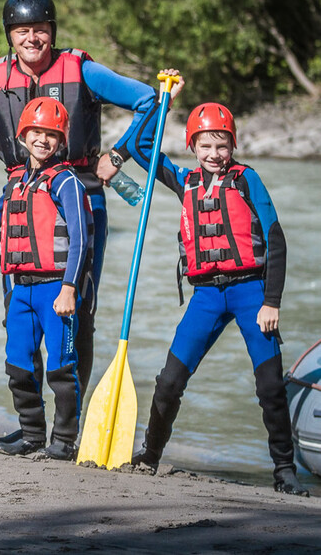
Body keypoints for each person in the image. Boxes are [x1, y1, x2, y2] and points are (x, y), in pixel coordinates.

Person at [0, 0, 165, 417]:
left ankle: (70, 424)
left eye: (39, 30)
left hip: (77, 194)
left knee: (77, 309)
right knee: (19, 314)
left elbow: (148, 100)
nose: (32, 38)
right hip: (18, 198)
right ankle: (31, 425)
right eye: (22, 31)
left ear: (52, 32)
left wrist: (117, 155)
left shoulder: (82, 70)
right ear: (10, 36)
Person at [130, 72, 309, 496]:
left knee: (269, 386)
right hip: (206, 295)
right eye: (205, 145)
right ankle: (149, 456)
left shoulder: (247, 179)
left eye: (222, 144)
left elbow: (276, 239)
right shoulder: (184, 181)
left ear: (233, 146)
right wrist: (165, 101)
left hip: (252, 293)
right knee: (170, 380)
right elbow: (140, 146)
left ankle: (284, 472)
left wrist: (272, 301)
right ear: (192, 146)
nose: (214, 153)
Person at [0, 96, 91, 460]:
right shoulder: (15, 181)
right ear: (23, 135)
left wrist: (69, 288)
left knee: (61, 369)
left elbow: (81, 240)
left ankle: (64, 441)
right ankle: (33, 434)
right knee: (18, 364)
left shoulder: (66, 182)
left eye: (51, 134)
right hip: (21, 290)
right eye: (36, 132)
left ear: (61, 140)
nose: (43, 140)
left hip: (56, 290)